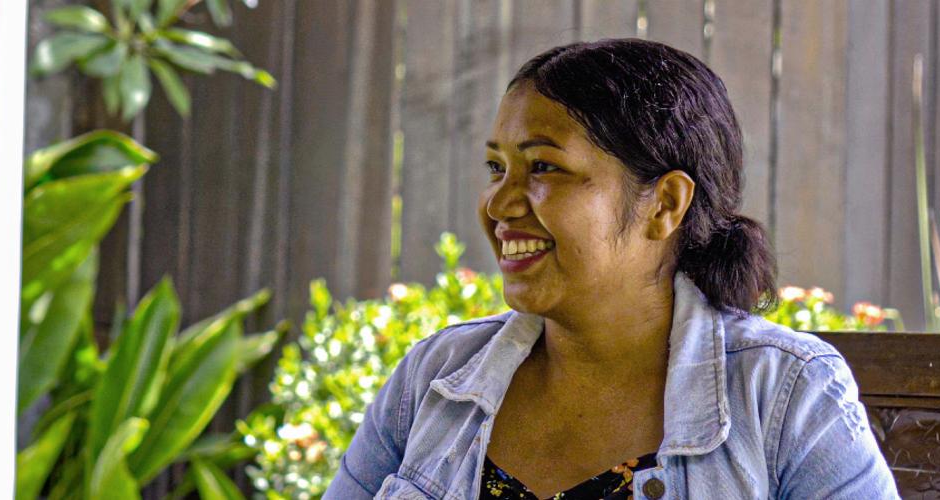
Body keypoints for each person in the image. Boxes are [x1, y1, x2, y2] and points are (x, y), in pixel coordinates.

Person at [325, 38, 898, 499]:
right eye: (496, 168)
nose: (499, 205)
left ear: (666, 204)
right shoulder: (435, 379)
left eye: (543, 166)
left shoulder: (786, 395)